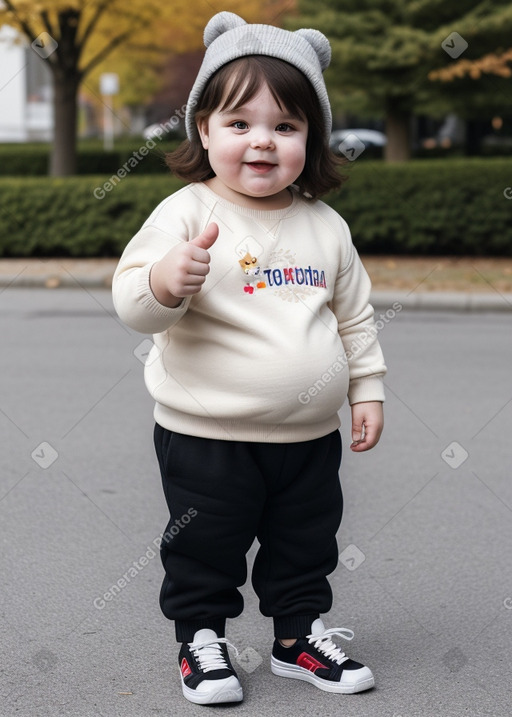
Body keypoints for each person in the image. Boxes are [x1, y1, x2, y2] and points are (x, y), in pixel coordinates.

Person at [112, 11, 386, 707]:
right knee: (206, 547)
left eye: (285, 126)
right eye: (239, 123)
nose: (261, 141)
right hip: (206, 437)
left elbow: (353, 316)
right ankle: (201, 639)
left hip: (307, 439)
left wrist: (367, 390)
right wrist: (166, 281)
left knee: (305, 543)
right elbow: (133, 302)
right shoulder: (185, 211)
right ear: (203, 130)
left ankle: (297, 637)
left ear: (310, 139)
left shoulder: (325, 225)